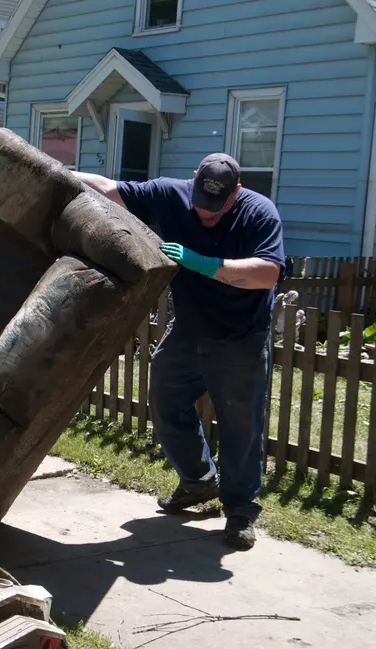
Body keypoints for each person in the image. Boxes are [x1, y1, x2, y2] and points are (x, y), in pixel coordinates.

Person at [73, 154, 284, 550]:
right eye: (201, 206)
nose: (206, 216)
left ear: (236, 192)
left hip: (240, 337)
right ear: (194, 182)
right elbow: (108, 188)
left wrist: (205, 264)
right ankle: (198, 482)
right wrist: (49, 167)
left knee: (240, 424)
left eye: (216, 210)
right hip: (189, 329)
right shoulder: (170, 194)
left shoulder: (259, 213)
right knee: (165, 399)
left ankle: (239, 510)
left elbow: (268, 273)